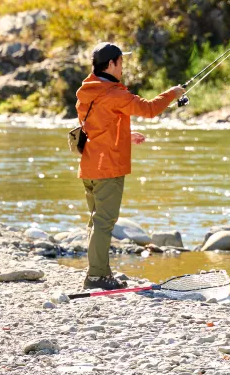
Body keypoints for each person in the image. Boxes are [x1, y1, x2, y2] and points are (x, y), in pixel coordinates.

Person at [75, 41, 184, 290]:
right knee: (104, 222)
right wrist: (171, 94)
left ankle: (101, 272)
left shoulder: (87, 90)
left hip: (90, 164)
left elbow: (97, 123)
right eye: (121, 62)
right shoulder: (115, 93)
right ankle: (96, 277)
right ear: (111, 63)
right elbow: (149, 109)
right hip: (109, 167)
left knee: (96, 221)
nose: (123, 67)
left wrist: (126, 133)